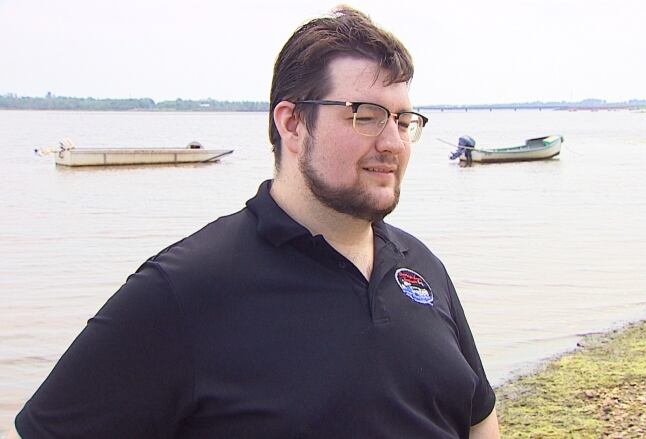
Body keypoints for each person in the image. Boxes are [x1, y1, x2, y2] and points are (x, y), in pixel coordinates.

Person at [11, 6, 499, 439]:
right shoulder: (184, 289)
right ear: (291, 123)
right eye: (366, 115)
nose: (393, 142)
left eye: (403, 119)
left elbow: (478, 419)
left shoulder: (422, 269)